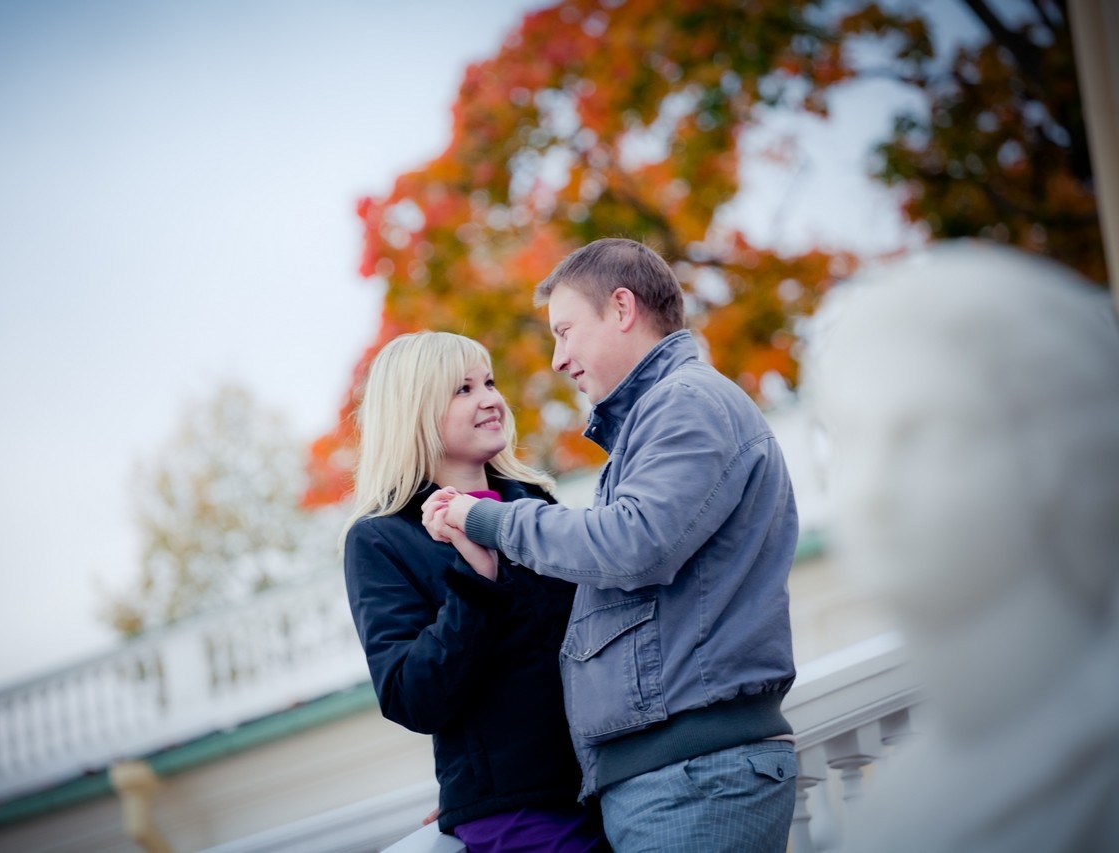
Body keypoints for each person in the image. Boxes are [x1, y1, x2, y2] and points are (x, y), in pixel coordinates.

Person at [424, 238, 799, 852]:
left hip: (694, 781)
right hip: (681, 778)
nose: (557, 359)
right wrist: (482, 786)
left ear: (622, 309)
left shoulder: (687, 403)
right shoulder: (662, 414)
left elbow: (633, 542)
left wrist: (488, 519)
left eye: (565, 332)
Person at [808, 242, 1119, 851]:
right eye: (849, 438)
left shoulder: (1096, 779)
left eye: (930, 435)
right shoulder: (898, 808)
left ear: (1055, 455)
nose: (871, 488)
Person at [342, 331, 610, 852]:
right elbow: (411, 696)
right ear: (415, 411)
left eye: (488, 382)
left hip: (614, 780)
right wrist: (476, 580)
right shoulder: (380, 539)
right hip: (523, 814)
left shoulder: (535, 503)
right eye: (463, 389)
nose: (490, 399)